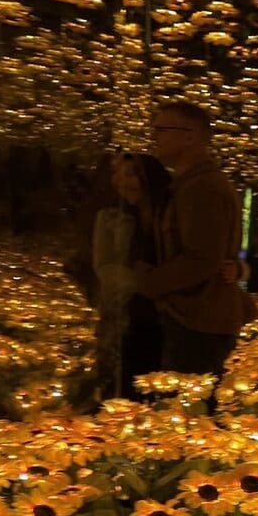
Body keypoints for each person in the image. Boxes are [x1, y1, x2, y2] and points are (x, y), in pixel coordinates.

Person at [136, 101, 254, 380]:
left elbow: (202, 259)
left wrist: (146, 282)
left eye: (162, 129)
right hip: (194, 317)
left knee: (188, 400)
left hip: (198, 321)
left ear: (189, 136)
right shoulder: (187, 185)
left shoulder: (202, 188)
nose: (154, 137)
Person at [91, 152, 171, 401]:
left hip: (165, 321)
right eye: (117, 174)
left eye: (131, 174)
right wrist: (148, 283)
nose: (122, 181)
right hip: (127, 319)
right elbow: (105, 268)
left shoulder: (166, 216)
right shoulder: (112, 218)